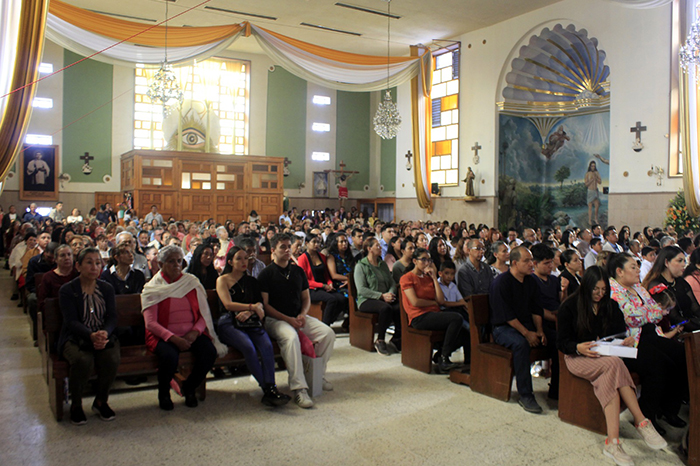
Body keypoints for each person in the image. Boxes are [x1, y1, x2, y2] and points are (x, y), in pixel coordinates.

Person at [557, 266, 667, 464]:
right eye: (595, 289)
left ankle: (613, 442)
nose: (600, 294)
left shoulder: (610, 304)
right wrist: (578, 347)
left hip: (605, 357)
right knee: (614, 365)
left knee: (611, 372)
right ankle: (641, 421)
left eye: (603, 290)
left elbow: (617, 333)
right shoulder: (570, 306)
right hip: (577, 357)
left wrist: (624, 341)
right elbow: (562, 342)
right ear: (586, 286)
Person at [608, 252, 689, 435]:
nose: (638, 270)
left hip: (650, 334)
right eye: (633, 267)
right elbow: (630, 318)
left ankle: (669, 409)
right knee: (659, 366)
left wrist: (646, 312)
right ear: (620, 271)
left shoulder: (638, 287)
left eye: (638, 266)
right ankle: (647, 416)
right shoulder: (614, 291)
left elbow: (657, 312)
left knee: (682, 355)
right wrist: (648, 312)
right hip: (630, 343)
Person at [141, 245, 227, 410]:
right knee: (169, 356)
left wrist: (195, 332)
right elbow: (150, 323)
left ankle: (189, 387)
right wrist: (174, 338)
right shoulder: (153, 288)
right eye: (171, 261)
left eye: (179, 261)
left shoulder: (190, 283)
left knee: (209, 352)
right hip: (163, 335)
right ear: (161, 264)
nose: (176, 265)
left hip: (191, 333)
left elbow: (203, 313)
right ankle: (164, 393)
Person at [258, 234, 335, 409]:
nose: (287, 250)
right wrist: (288, 319)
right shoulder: (266, 274)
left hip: (298, 316)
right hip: (276, 319)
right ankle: (299, 388)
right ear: (273, 250)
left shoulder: (297, 271)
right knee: (291, 338)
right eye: (282, 247)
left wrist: (302, 314)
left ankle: (317, 375)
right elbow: (266, 306)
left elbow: (306, 298)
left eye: (288, 246)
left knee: (327, 334)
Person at [216, 246, 291, 407]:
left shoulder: (251, 281)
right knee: (248, 347)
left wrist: (250, 311)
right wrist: (251, 307)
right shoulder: (223, 280)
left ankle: (270, 387)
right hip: (229, 321)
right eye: (239, 258)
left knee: (266, 345)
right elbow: (228, 304)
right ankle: (268, 389)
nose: (244, 261)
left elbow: (259, 303)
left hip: (250, 320)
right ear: (230, 262)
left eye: (245, 258)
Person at [489, 246, 557, 413]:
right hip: (503, 327)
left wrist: (539, 331)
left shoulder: (530, 281)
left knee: (556, 339)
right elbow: (507, 316)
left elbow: (536, 309)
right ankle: (525, 395)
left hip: (526, 324)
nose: (531, 264)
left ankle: (556, 389)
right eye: (526, 261)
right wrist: (527, 334)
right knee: (521, 344)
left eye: (531, 260)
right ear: (514, 263)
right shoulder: (501, 282)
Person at [58, 247, 120, 425]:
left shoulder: (106, 288)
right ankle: (76, 404)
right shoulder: (68, 290)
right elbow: (71, 321)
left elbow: (112, 316)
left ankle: (101, 401)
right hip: (76, 337)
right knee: (82, 360)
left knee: (112, 358)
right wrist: (90, 335)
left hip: (102, 335)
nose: (94, 267)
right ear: (78, 266)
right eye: (89, 262)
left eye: (98, 263)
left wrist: (105, 333)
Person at [400, 248, 468, 373]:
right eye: (423, 260)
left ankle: (442, 355)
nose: (427, 263)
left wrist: (434, 278)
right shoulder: (407, 278)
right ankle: (444, 358)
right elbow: (415, 302)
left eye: (429, 260)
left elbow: (440, 300)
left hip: (433, 313)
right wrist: (433, 302)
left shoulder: (428, 278)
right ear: (415, 261)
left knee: (464, 331)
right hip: (419, 316)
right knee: (456, 318)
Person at [354, 237, 401, 355]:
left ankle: (397, 338)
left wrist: (390, 293)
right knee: (385, 308)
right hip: (367, 300)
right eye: (377, 246)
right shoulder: (361, 266)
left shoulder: (382, 264)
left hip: (385, 297)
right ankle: (380, 340)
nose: (380, 248)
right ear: (369, 249)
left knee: (400, 306)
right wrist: (381, 296)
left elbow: (391, 282)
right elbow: (362, 290)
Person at [643, 245, 700, 331]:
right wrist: (695, 325)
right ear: (666, 262)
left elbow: (695, 307)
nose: (683, 264)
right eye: (679, 261)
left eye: (684, 261)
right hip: (674, 331)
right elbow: (673, 317)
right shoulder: (656, 285)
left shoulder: (680, 281)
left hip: (691, 325)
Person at [297, 233, 348, 326]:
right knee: (331, 299)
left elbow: (326, 274)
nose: (317, 244)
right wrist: (323, 285)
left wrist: (330, 283)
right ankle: (325, 325)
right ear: (307, 243)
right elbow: (305, 281)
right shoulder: (302, 258)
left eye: (318, 242)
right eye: (314, 242)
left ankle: (330, 320)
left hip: (324, 287)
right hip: (311, 289)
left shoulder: (321, 256)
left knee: (342, 299)